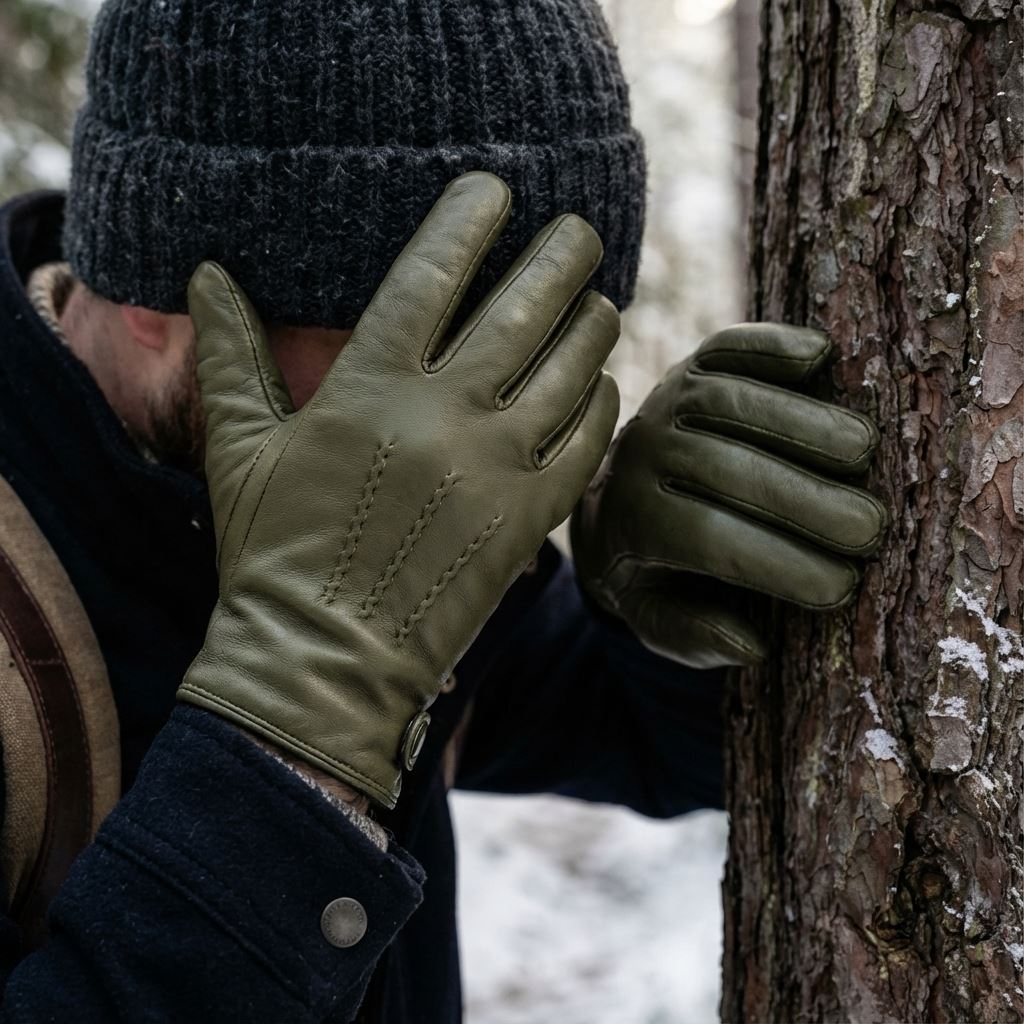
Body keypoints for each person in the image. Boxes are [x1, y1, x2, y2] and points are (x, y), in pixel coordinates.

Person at [0, 1, 885, 1021]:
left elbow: (666, 747)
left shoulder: (352, 513)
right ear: (162, 295)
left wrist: (665, 602)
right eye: (417, 342)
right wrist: (293, 722)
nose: (476, 420)